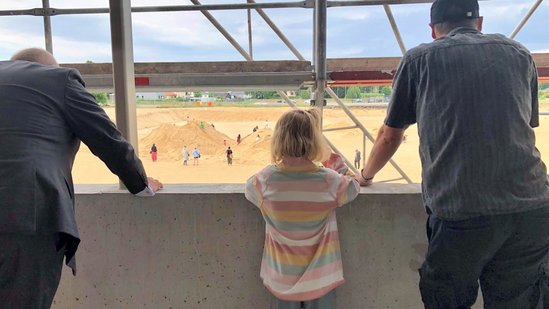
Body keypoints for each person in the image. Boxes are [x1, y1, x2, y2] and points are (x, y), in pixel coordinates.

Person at [358, 1, 549, 308]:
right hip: (531, 210)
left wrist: (365, 176)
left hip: (460, 212)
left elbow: (390, 135)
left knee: (446, 299)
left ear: (433, 29)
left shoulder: (420, 59)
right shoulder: (519, 54)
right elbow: (524, 126)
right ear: (480, 22)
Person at [0, 48, 163, 308]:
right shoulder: (58, 79)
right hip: (27, 215)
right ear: (49, 67)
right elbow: (107, 139)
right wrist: (140, 183)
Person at [245, 108, 360, 308]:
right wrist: (335, 162)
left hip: (281, 278)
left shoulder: (264, 182)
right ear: (315, 140)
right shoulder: (328, 181)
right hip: (321, 278)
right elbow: (353, 186)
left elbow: (249, 188)